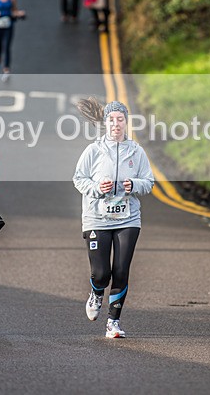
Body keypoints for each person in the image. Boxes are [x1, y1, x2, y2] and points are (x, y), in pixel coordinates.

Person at [73, 99, 155, 338]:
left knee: (121, 270)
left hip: (128, 218)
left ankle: (113, 322)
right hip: (96, 218)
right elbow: (78, 178)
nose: (116, 123)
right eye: (111, 119)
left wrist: (134, 185)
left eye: (120, 119)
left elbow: (148, 181)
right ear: (105, 122)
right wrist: (97, 188)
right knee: (101, 273)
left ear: (126, 123)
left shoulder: (136, 151)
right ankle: (97, 292)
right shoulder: (93, 150)